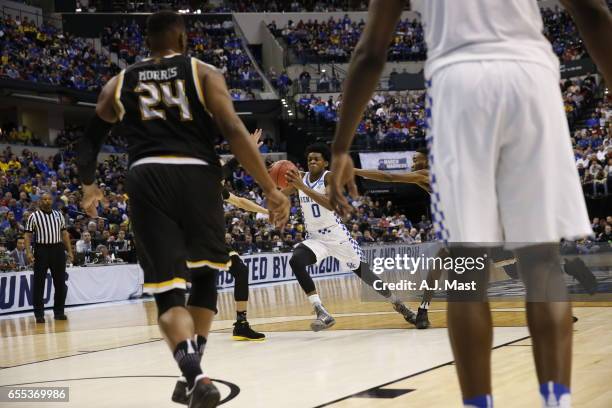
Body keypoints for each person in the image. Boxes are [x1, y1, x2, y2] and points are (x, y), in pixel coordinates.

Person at [328, 1, 612, 407]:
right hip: (530, 74)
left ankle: (478, 402)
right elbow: (593, 12)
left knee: (467, 264)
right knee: (542, 258)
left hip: (459, 81)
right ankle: (558, 400)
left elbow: (371, 52)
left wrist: (341, 147)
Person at [76, 11, 289, 408]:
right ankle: (196, 372)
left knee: (168, 294)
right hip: (197, 176)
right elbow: (233, 131)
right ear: (182, 37)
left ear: (148, 41)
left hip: (147, 176)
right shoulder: (204, 73)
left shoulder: (118, 82)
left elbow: (88, 143)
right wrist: (267, 188)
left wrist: (89, 185)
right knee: (206, 278)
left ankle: (195, 378)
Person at [283, 142, 416, 332]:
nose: (312, 161)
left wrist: (301, 188)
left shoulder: (329, 177)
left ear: (325, 163)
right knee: (296, 260)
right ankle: (321, 311)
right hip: (315, 238)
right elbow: (279, 194)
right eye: (309, 159)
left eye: (316, 159)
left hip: (338, 237)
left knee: (367, 275)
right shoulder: (300, 178)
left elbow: (330, 204)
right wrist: (275, 183)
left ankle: (398, 303)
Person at [23, 193, 74, 323]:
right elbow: (27, 236)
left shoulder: (59, 215)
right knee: (39, 284)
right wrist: (28, 252)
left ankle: (59, 312)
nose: (47, 201)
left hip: (57, 249)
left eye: (49, 199)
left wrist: (69, 251)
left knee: (60, 283)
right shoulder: (34, 216)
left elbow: (64, 234)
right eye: (44, 199)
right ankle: (39, 314)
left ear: (52, 201)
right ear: (40, 201)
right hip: (41, 250)